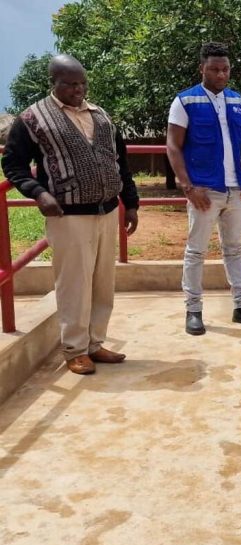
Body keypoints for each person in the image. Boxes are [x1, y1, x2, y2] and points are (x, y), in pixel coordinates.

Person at [2, 55, 139, 375]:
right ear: (54, 82)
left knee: (103, 282)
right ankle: (75, 349)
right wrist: (39, 193)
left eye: (82, 83)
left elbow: (120, 161)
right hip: (68, 216)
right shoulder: (33, 118)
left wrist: (130, 202)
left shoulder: (100, 115)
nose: (79, 89)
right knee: (74, 284)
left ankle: (95, 343)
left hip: (106, 211)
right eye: (71, 84)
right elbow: (13, 165)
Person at [166, 42, 241, 336]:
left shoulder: (237, 101)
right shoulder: (185, 101)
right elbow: (173, 146)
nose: (220, 74)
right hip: (203, 190)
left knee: (235, 249)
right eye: (214, 69)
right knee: (196, 251)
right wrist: (188, 187)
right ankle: (193, 310)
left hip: (235, 191)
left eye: (225, 69)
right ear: (202, 68)